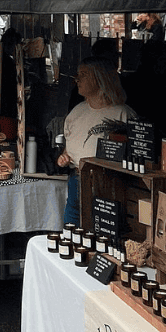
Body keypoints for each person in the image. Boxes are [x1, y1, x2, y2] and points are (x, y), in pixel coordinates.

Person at [57, 57, 137, 226]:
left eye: (84, 75)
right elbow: (69, 146)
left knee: (101, 237)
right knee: (71, 235)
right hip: (76, 181)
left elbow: (134, 155)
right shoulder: (76, 112)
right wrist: (64, 157)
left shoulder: (123, 114)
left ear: (100, 78)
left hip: (106, 186)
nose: (77, 79)